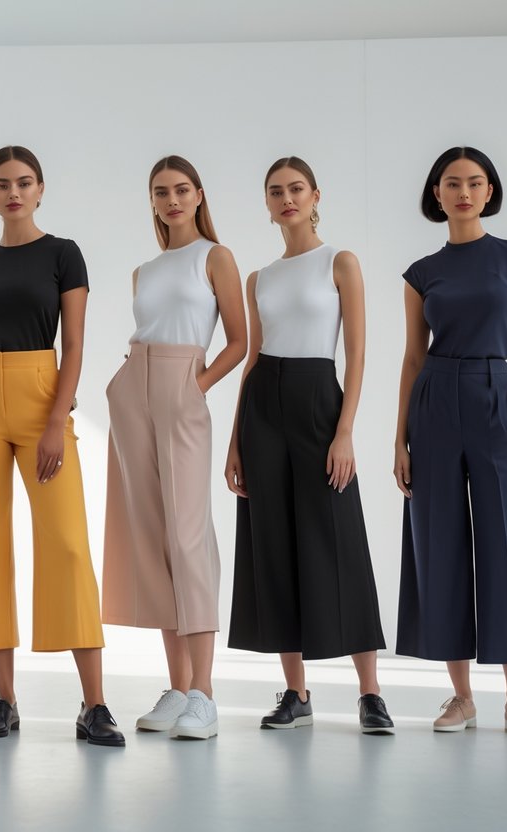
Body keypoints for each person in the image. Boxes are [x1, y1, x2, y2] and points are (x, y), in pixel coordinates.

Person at [0, 145, 123, 747]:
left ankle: (94, 704)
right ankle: (5, 700)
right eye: (0, 184)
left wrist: (55, 419)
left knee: (67, 542)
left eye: (22, 182)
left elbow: (76, 346)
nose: (12, 192)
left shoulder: (64, 255)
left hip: (42, 392)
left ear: (40, 189)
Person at [225, 156, 393, 734]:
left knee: (337, 536)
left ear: (315, 194)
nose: (286, 198)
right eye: (275, 191)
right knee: (272, 543)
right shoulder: (259, 277)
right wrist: (234, 443)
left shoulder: (339, 262)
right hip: (263, 407)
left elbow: (357, 353)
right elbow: (252, 357)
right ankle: (296, 692)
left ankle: (370, 693)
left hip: (319, 399)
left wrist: (344, 431)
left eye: (295, 188)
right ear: (266, 203)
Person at [393, 146, 507, 737]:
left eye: (475, 181)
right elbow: (412, 357)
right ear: (436, 193)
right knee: (439, 543)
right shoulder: (421, 272)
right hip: (435, 398)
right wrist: (399, 439)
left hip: (495, 395)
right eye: (452, 182)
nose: (463, 191)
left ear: (490, 191)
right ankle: (460, 697)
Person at [102, 156, 246, 740]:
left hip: (184, 382)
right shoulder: (144, 270)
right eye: (161, 192)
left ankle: (205, 695)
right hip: (134, 384)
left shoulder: (216, 257)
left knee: (189, 535)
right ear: (153, 202)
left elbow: (239, 341)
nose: (172, 199)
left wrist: (198, 386)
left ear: (199, 194)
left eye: (182, 189)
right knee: (153, 536)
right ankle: (179, 686)